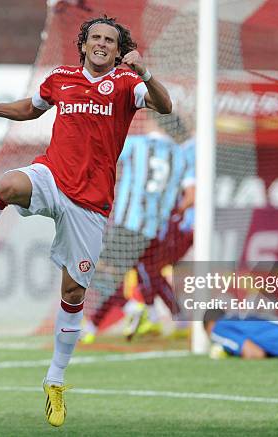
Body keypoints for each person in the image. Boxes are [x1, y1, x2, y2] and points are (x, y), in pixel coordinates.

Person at [0, 16, 171, 427]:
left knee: (73, 293)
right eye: (96, 39)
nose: (102, 44)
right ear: (84, 45)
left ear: (118, 49)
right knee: (8, 184)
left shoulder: (128, 84)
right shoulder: (61, 78)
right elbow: (31, 109)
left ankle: (55, 380)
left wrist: (144, 71)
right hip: (52, 177)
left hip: (90, 203)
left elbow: (165, 105)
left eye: (110, 40)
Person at [81, 115, 187, 343]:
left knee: (91, 268)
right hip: (152, 228)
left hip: (128, 222)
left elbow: (102, 151)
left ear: (155, 124)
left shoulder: (136, 144)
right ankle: (92, 326)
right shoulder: (179, 156)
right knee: (135, 274)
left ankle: (138, 310)